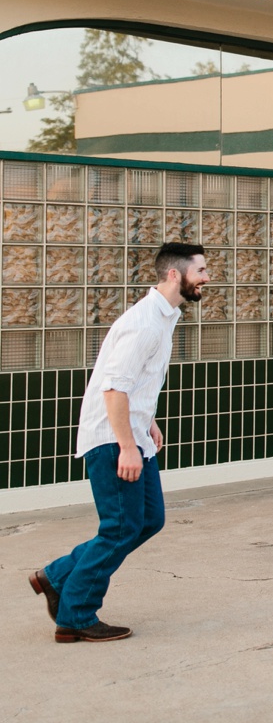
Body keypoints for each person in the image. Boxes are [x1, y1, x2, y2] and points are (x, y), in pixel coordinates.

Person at [27, 242, 209, 642]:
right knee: (119, 528)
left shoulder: (164, 317)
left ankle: (56, 576)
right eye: (200, 270)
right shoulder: (144, 321)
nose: (207, 278)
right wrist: (127, 445)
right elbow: (113, 388)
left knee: (147, 520)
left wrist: (148, 421)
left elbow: (134, 382)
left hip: (132, 433)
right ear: (175, 275)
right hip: (113, 439)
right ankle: (74, 617)